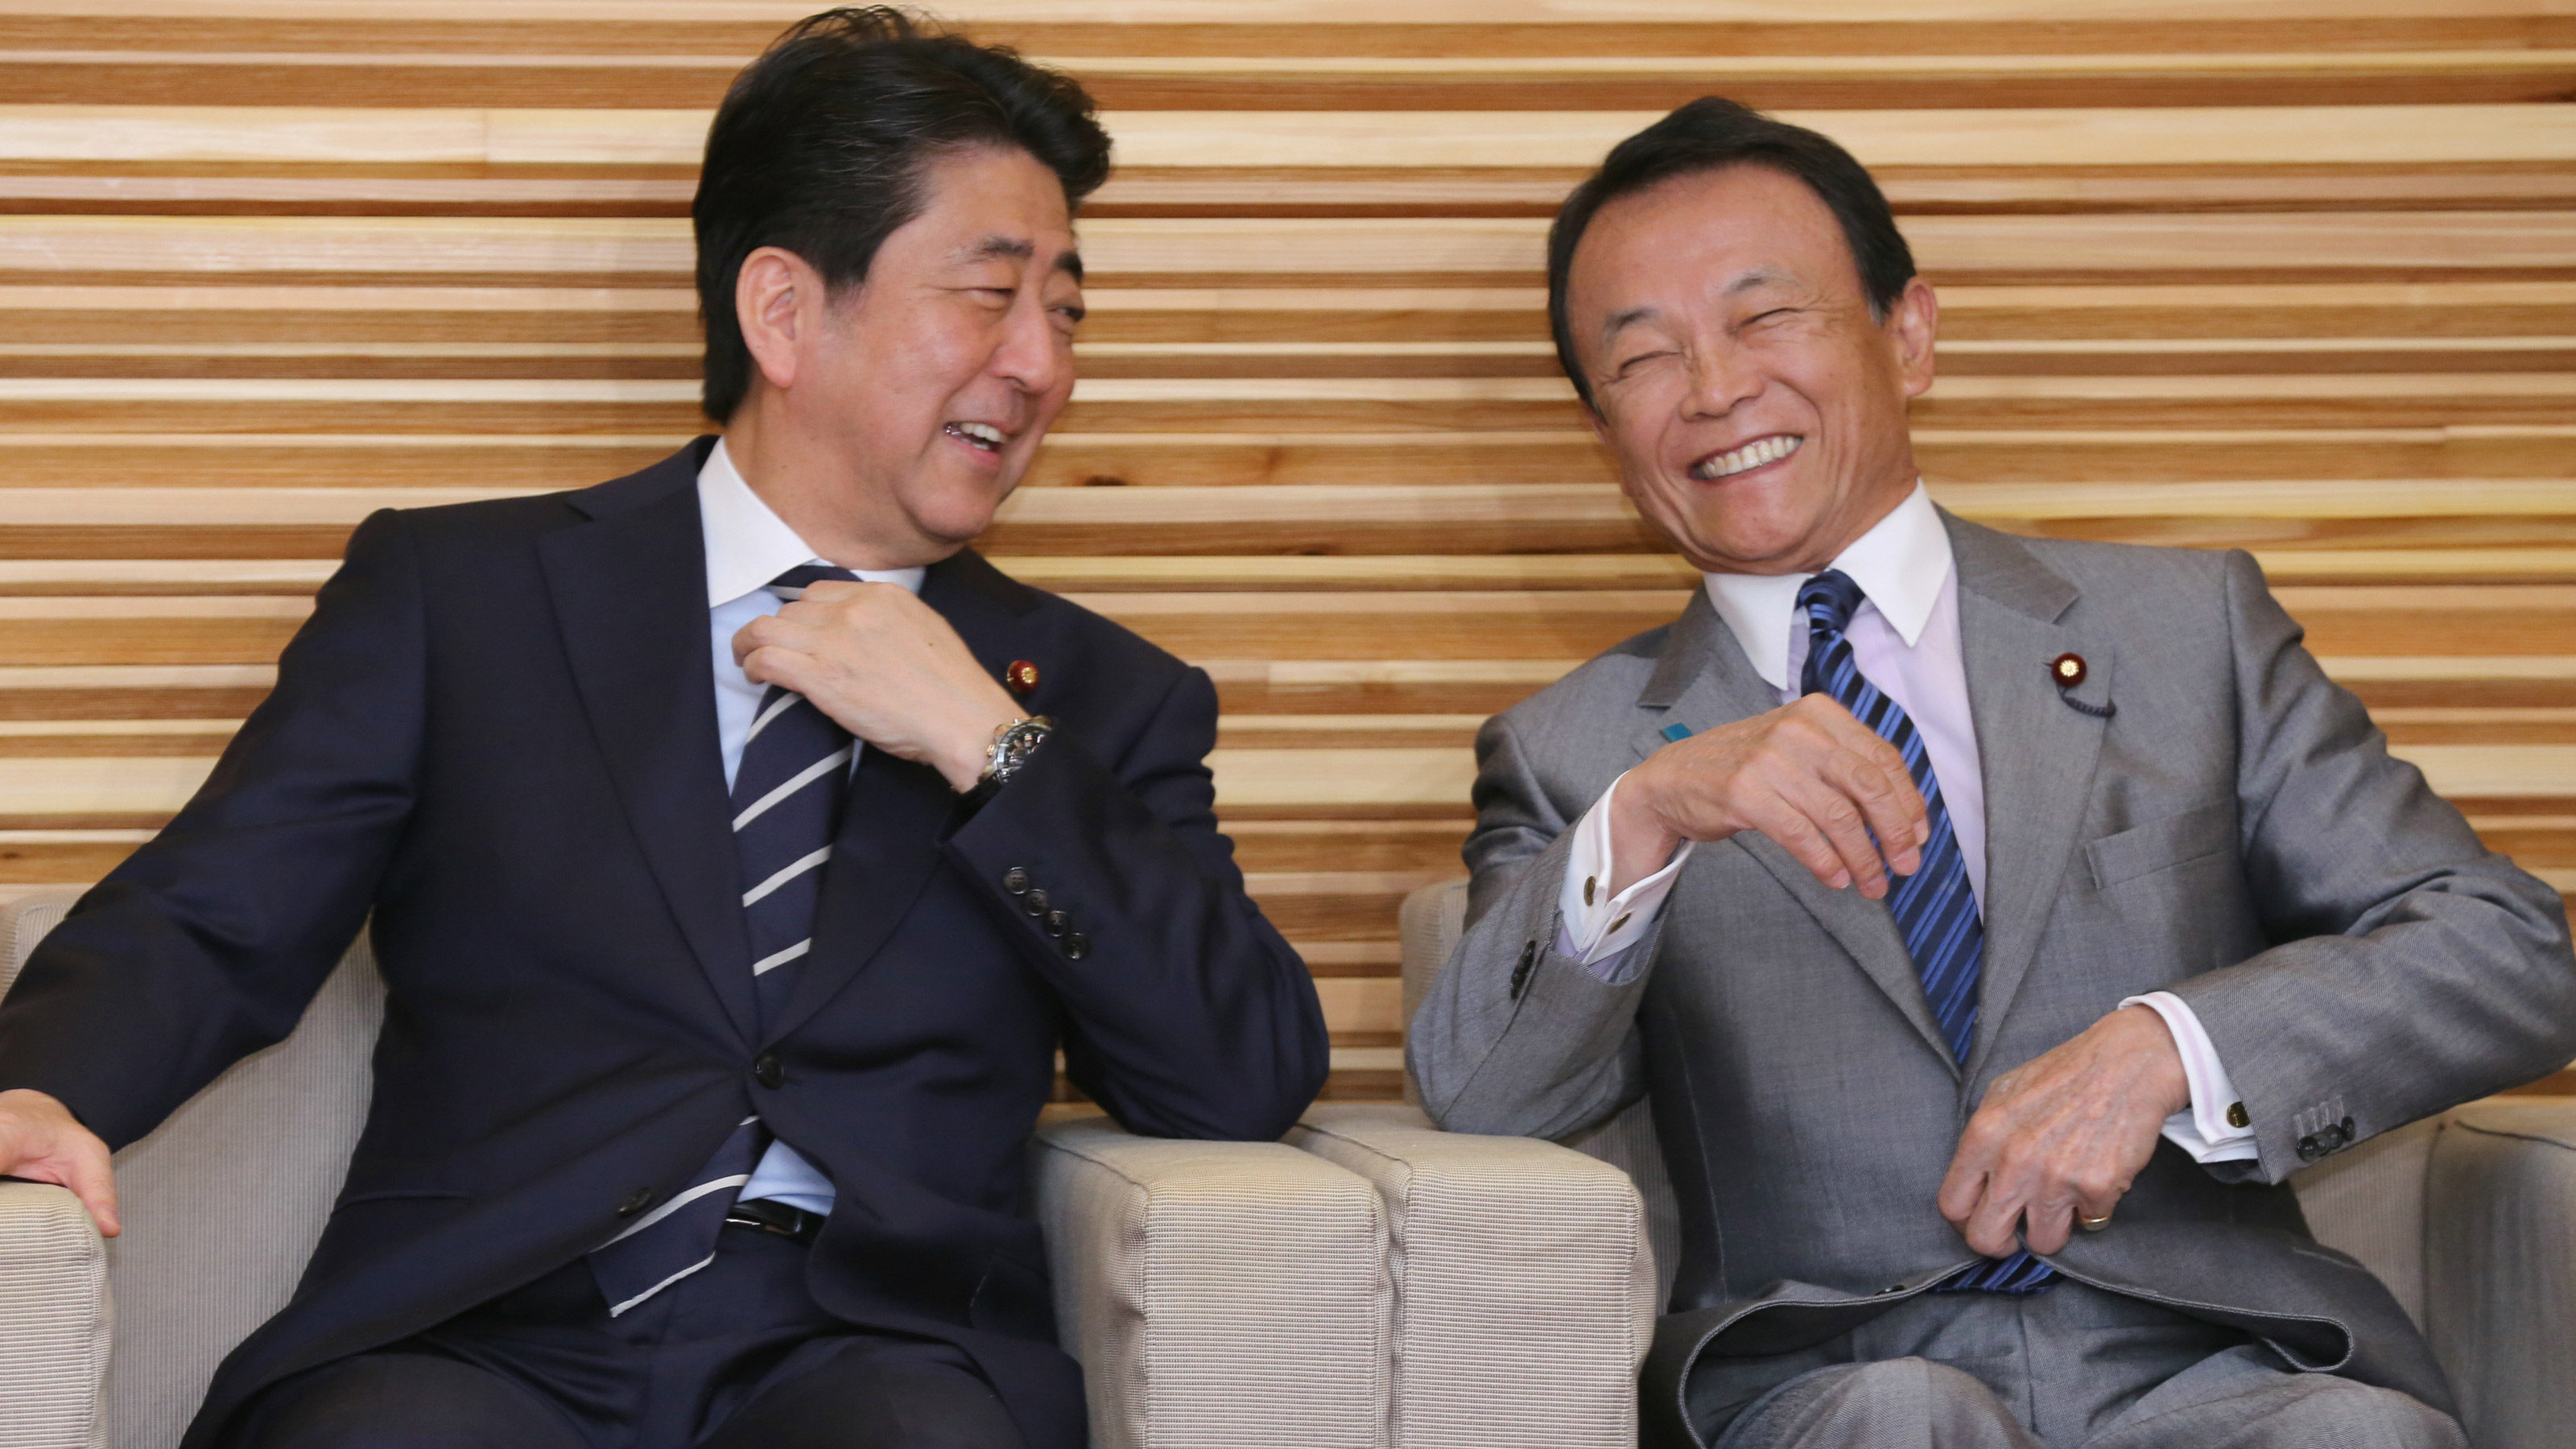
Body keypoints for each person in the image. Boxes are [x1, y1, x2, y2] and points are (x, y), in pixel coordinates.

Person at [0, 11, 1329, 1448]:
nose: (1040, 366)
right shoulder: (465, 599)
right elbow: (220, 911)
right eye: (991, 295)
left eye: (1064, 313)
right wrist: (42, 1083)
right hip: (477, 1332)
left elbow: (1237, 1075)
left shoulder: (1098, 696)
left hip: (875, 1349)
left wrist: (991, 748)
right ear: (783, 311)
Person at [1406, 97, 2576, 1449]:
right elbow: (1486, 1095)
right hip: (1835, 1378)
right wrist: (1651, 812)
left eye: (1764, 317)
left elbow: (2510, 951)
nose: (1715, 389)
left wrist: (2169, 1047)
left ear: (1909, 336)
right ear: (1605, 431)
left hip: (2210, 1359)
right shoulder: (1577, 754)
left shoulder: (2186, 634)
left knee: (2354, 1439)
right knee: (1907, 1421)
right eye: (1644, 357)